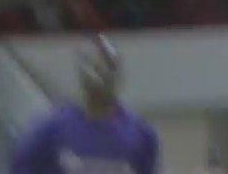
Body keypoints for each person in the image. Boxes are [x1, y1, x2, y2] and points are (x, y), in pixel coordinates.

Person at [9, 37, 160, 174]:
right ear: (83, 78)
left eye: (106, 71)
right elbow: (20, 166)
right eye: (95, 71)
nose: (100, 81)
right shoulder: (50, 129)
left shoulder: (141, 134)